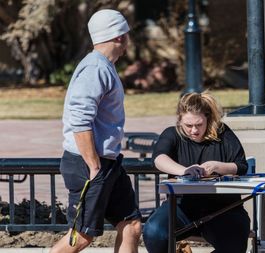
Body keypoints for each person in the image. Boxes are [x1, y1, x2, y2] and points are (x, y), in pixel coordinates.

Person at [50, 9, 141, 253]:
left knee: (131, 224)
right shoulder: (95, 69)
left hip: (107, 162)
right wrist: (94, 166)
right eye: (127, 34)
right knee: (81, 236)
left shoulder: (103, 66)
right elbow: (80, 120)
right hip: (89, 163)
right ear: (119, 36)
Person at [143, 92, 250, 253]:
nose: (194, 130)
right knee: (154, 231)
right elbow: (159, 159)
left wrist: (216, 166)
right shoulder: (172, 134)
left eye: (199, 125)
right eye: (188, 125)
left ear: (208, 119)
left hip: (223, 208)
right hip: (181, 207)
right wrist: (185, 171)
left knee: (234, 243)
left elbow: (241, 166)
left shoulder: (223, 133)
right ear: (180, 121)